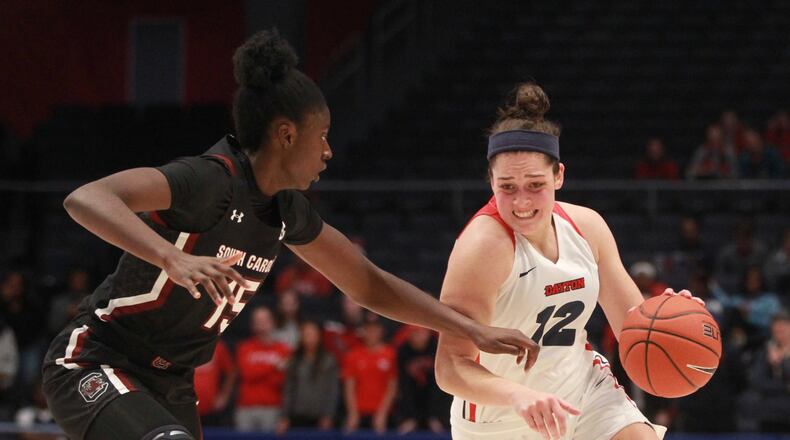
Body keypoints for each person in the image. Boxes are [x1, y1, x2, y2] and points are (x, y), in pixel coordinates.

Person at [41, 29, 535, 440]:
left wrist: (468, 328)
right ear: (285, 134)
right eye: (321, 136)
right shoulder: (208, 180)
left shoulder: (286, 212)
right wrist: (170, 258)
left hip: (169, 382)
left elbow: (367, 282)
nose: (328, 152)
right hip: (95, 360)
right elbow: (87, 198)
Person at [434, 82, 703, 440]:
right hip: (501, 416)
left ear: (559, 175)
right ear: (491, 181)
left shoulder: (587, 227)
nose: (521, 202)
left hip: (582, 391)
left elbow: (633, 328)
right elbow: (450, 368)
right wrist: (520, 396)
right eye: (507, 187)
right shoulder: (482, 248)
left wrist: (668, 324)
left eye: (535, 184)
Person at [234, 305, 291, 432]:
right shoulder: (244, 348)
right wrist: (274, 366)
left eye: (265, 320)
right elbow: (247, 373)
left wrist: (263, 371)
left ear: (273, 322)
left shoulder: (283, 349)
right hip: (246, 407)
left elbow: (281, 381)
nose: (261, 324)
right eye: (258, 321)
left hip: (273, 407)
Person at [278, 320, 339, 434]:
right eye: (306, 334)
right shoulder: (295, 361)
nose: (310, 338)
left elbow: (333, 390)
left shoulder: (328, 360)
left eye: (313, 334)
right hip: (297, 416)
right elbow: (288, 390)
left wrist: (329, 415)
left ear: (319, 336)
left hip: (320, 417)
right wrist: (284, 416)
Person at [342, 313, 397, 433]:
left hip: (383, 414)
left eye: (375, 329)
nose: (371, 333)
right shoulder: (353, 355)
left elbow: (392, 386)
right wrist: (352, 412)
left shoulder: (390, 354)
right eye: (368, 329)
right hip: (359, 412)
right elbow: (349, 385)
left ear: (381, 331)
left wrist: (382, 412)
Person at [193, 339, 235, 426]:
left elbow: (231, 372)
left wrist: (224, 396)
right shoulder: (182, 345)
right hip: (186, 405)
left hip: (211, 406)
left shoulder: (217, 346)